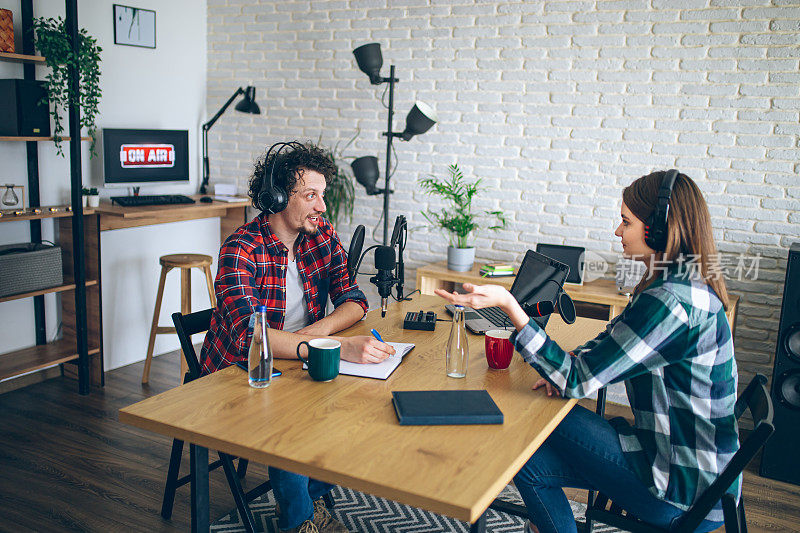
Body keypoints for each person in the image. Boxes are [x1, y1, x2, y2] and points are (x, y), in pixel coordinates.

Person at [436, 170, 736, 533]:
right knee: (527, 461)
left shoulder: (670, 302)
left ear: (658, 229)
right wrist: (573, 362)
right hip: (690, 473)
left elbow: (578, 383)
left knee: (529, 416)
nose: (617, 231)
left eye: (625, 221)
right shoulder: (679, 284)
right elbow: (614, 337)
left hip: (680, 492)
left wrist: (512, 308)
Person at [200, 141, 395, 533]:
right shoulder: (241, 249)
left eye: (322, 195)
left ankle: (315, 499)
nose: (322, 206)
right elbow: (247, 340)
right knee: (289, 423)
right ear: (275, 197)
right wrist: (330, 346)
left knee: (346, 402)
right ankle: (299, 521)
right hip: (239, 372)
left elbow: (354, 301)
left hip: (296, 356)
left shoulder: (319, 235)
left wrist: (315, 335)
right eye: (311, 195)